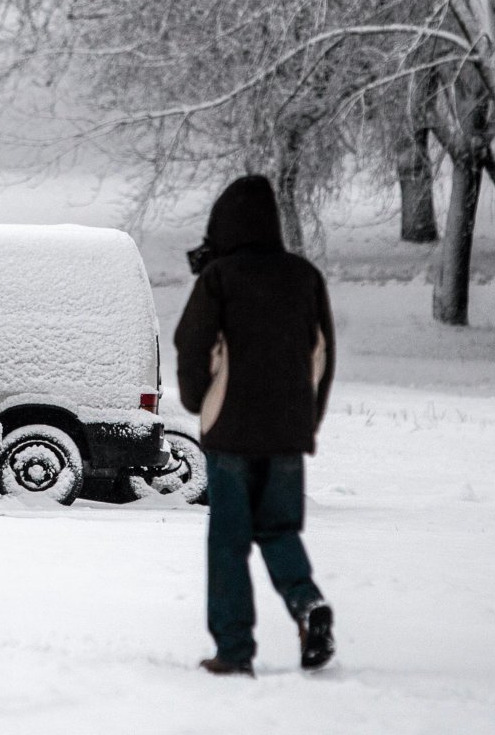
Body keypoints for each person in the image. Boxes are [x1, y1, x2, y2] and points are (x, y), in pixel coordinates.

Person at [174, 175, 336, 676]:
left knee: (229, 541)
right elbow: (322, 356)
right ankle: (307, 604)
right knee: (279, 528)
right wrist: (306, 419)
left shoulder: (219, 277)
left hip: (232, 433)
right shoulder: (304, 276)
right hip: (287, 433)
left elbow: (191, 343)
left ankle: (234, 650)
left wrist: (200, 401)